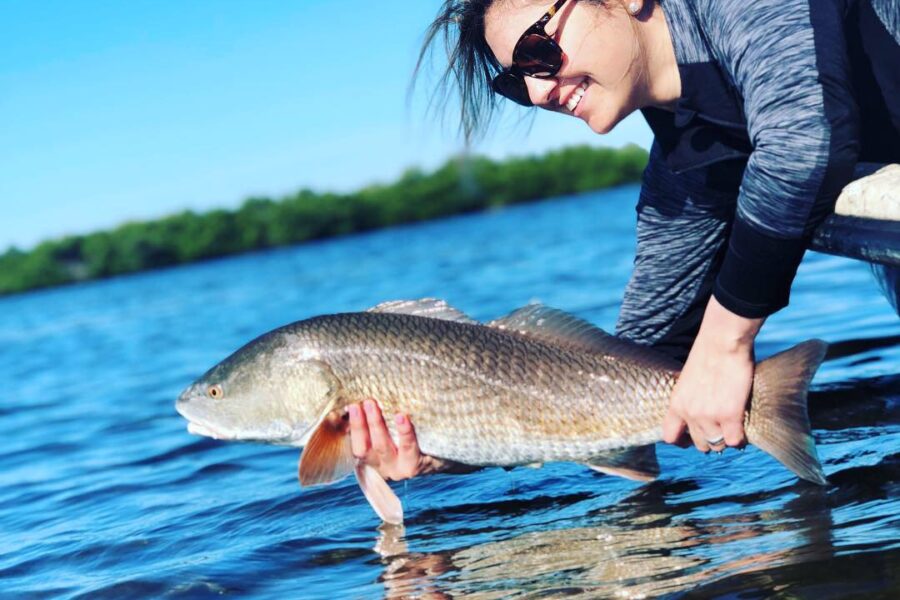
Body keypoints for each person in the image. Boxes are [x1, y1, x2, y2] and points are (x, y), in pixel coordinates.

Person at [347, 0, 900, 479]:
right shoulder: (687, 167)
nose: (538, 92)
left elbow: (800, 144)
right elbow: (629, 367)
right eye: (515, 82)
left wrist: (725, 342)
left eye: (538, 52)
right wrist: (444, 446)